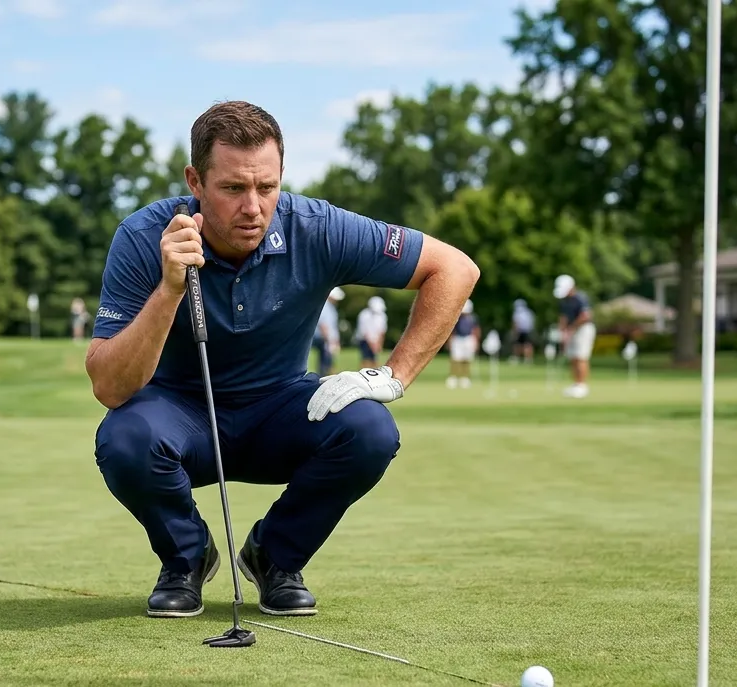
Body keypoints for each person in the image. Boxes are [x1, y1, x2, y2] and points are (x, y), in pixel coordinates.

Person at [86, 100, 479, 619]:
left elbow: (455, 269)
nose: (253, 206)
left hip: (280, 411)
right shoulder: (143, 236)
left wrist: (393, 375)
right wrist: (169, 289)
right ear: (195, 181)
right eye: (233, 188)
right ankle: (186, 559)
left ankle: (275, 557)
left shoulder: (316, 226)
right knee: (124, 438)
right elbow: (110, 387)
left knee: (371, 429)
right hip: (180, 414)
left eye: (266, 187)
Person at [554, 274, 595, 398]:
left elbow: (586, 316)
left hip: (584, 329)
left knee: (581, 357)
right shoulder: (565, 301)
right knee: (572, 357)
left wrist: (572, 327)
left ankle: (582, 386)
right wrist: (562, 331)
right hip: (572, 330)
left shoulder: (580, 298)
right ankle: (576, 384)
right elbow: (563, 318)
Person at [311, 287, 346, 376]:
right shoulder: (325, 306)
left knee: (327, 361)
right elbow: (323, 325)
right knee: (325, 362)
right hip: (324, 338)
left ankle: (324, 375)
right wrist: (330, 340)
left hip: (327, 338)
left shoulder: (331, 307)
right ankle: (323, 376)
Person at [446, 299, 480, 389]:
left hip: (469, 339)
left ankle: (465, 378)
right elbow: (452, 331)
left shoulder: (473, 318)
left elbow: (476, 330)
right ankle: (453, 377)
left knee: (467, 359)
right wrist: (450, 341)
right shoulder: (457, 317)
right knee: (455, 359)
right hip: (458, 339)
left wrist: (476, 341)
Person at [356, 295, 387, 367]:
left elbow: (382, 331)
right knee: (366, 360)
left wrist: (379, 344)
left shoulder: (383, 315)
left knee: (375, 361)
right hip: (364, 340)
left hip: (376, 340)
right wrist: (372, 345)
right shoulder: (364, 315)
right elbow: (364, 332)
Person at [511, 298, 535, 364]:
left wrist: (514, 331)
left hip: (520, 330)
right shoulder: (529, 312)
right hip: (528, 331)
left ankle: (516, 358)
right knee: (527, 344)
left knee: (517, 345)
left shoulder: (517, 313)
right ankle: (528, 359)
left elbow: (516, 323)